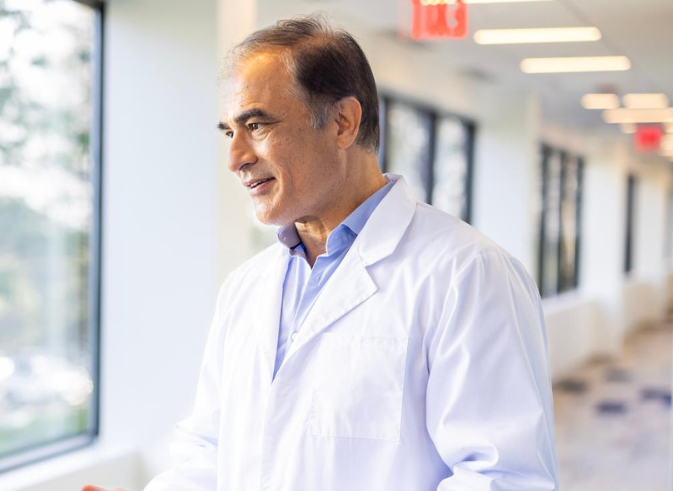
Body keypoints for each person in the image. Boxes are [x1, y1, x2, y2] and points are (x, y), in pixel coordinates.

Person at [86, 15, 557, 491]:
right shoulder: (246, 288)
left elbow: (503, 478)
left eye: (256, 124)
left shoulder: (467, 273)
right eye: (230, 132)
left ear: (342, 123)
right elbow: (210, 451)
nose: (235, 158)